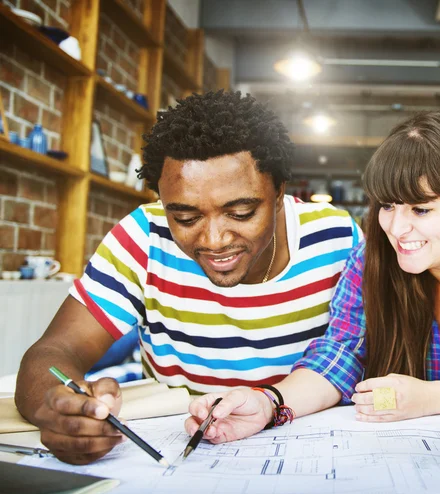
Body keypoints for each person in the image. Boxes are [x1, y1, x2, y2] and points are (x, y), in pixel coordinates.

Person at [186, 111, 440, 443]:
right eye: (388, 206)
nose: (397, 228)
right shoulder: (373, 255)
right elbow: (339, 356)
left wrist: (430, 397)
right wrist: (268, 404)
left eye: (421, 210)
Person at [15, 90, 362, 464]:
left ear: (279, 193)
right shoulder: (143, 237)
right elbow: (52, 352)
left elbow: (367, 354)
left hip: (310, 447)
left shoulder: (336, 239)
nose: (214, 241)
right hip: (179, 451)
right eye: (185, 218)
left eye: (241, 212)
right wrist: (60, 408)